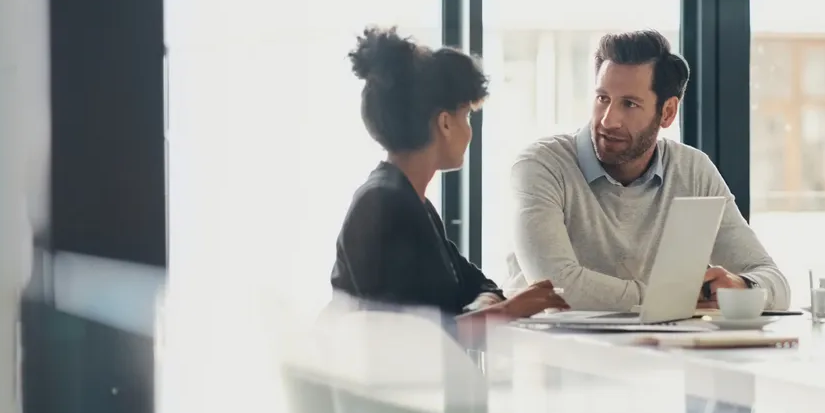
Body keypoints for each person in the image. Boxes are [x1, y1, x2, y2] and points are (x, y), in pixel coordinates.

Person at [504, 29, 790, 312]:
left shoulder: (692, 171)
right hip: (554, 353)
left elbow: (774, 281)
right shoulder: (542, 165)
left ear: (667, 113)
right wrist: (673, 297)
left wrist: (742, 286)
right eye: (603, 98)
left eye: (629, 104)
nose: (608, 120)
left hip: (659, 352)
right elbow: (555, 288)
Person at [331, 26, 567, 320]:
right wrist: (506, 310)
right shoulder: (383, 203)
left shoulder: (414, 203)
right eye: (466, 115)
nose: (469, 131)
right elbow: (408, 337)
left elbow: (478, 284)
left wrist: (485, 303)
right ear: (445, 123)